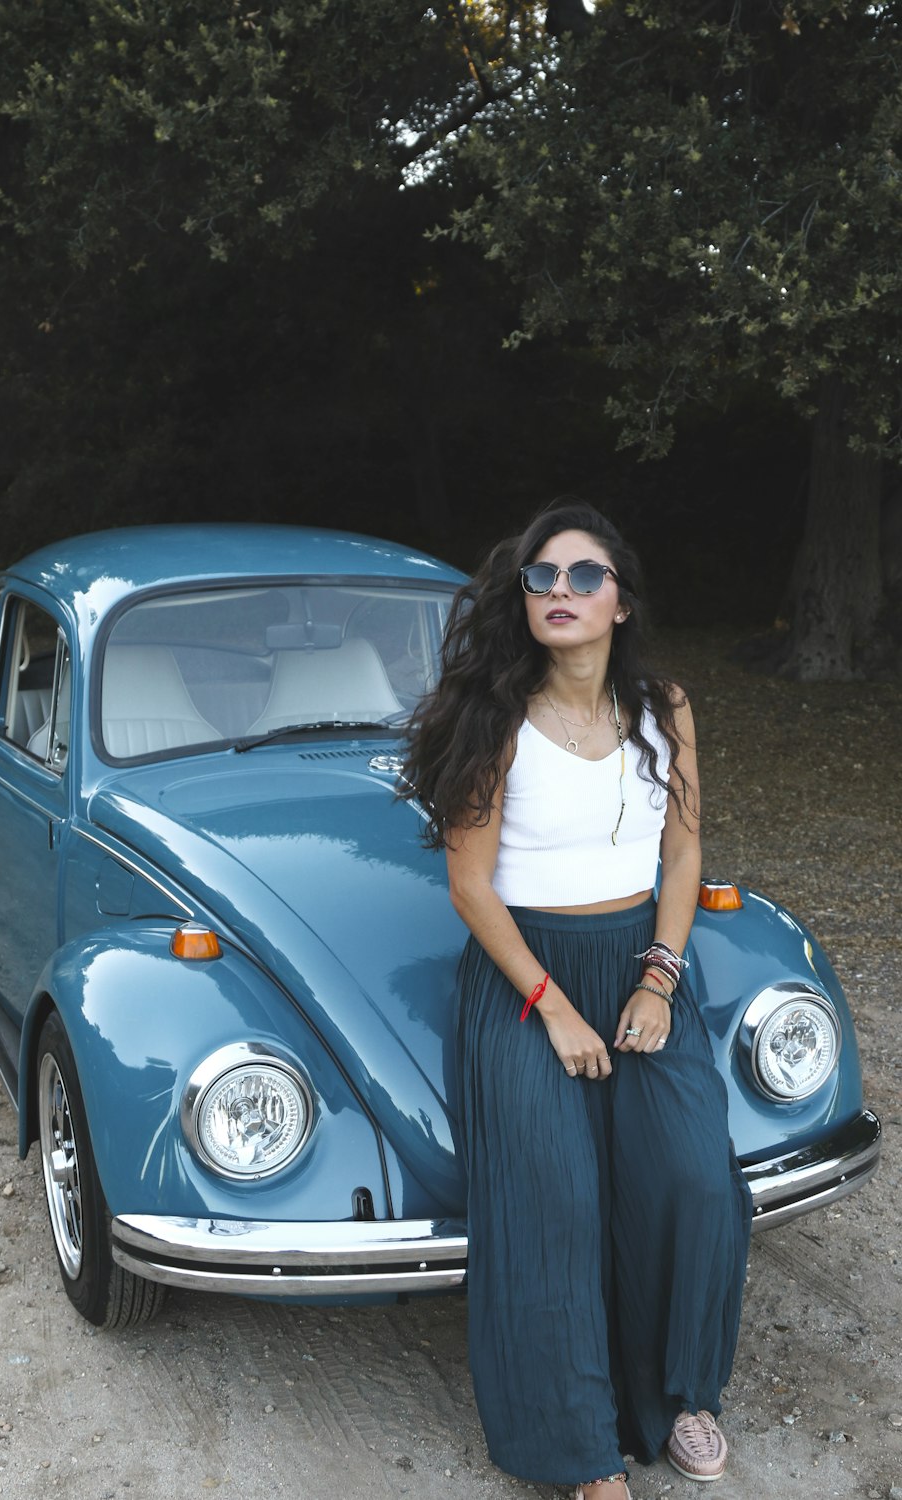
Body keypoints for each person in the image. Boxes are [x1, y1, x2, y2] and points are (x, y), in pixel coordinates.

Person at [403, 502, 752, 1499]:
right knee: (551, 1195)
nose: (559, 593)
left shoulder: (665, 705)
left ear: (621, 602)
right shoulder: (492, 719)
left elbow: (681, 851)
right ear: (521, 603)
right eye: (540, 578)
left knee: (691, 1176)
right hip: (525, 975)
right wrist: (552, 1006)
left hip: (637, 964)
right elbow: (471, 886)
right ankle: (579, 1449)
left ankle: (681, 1394)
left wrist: (658, 976)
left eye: (582, 576)